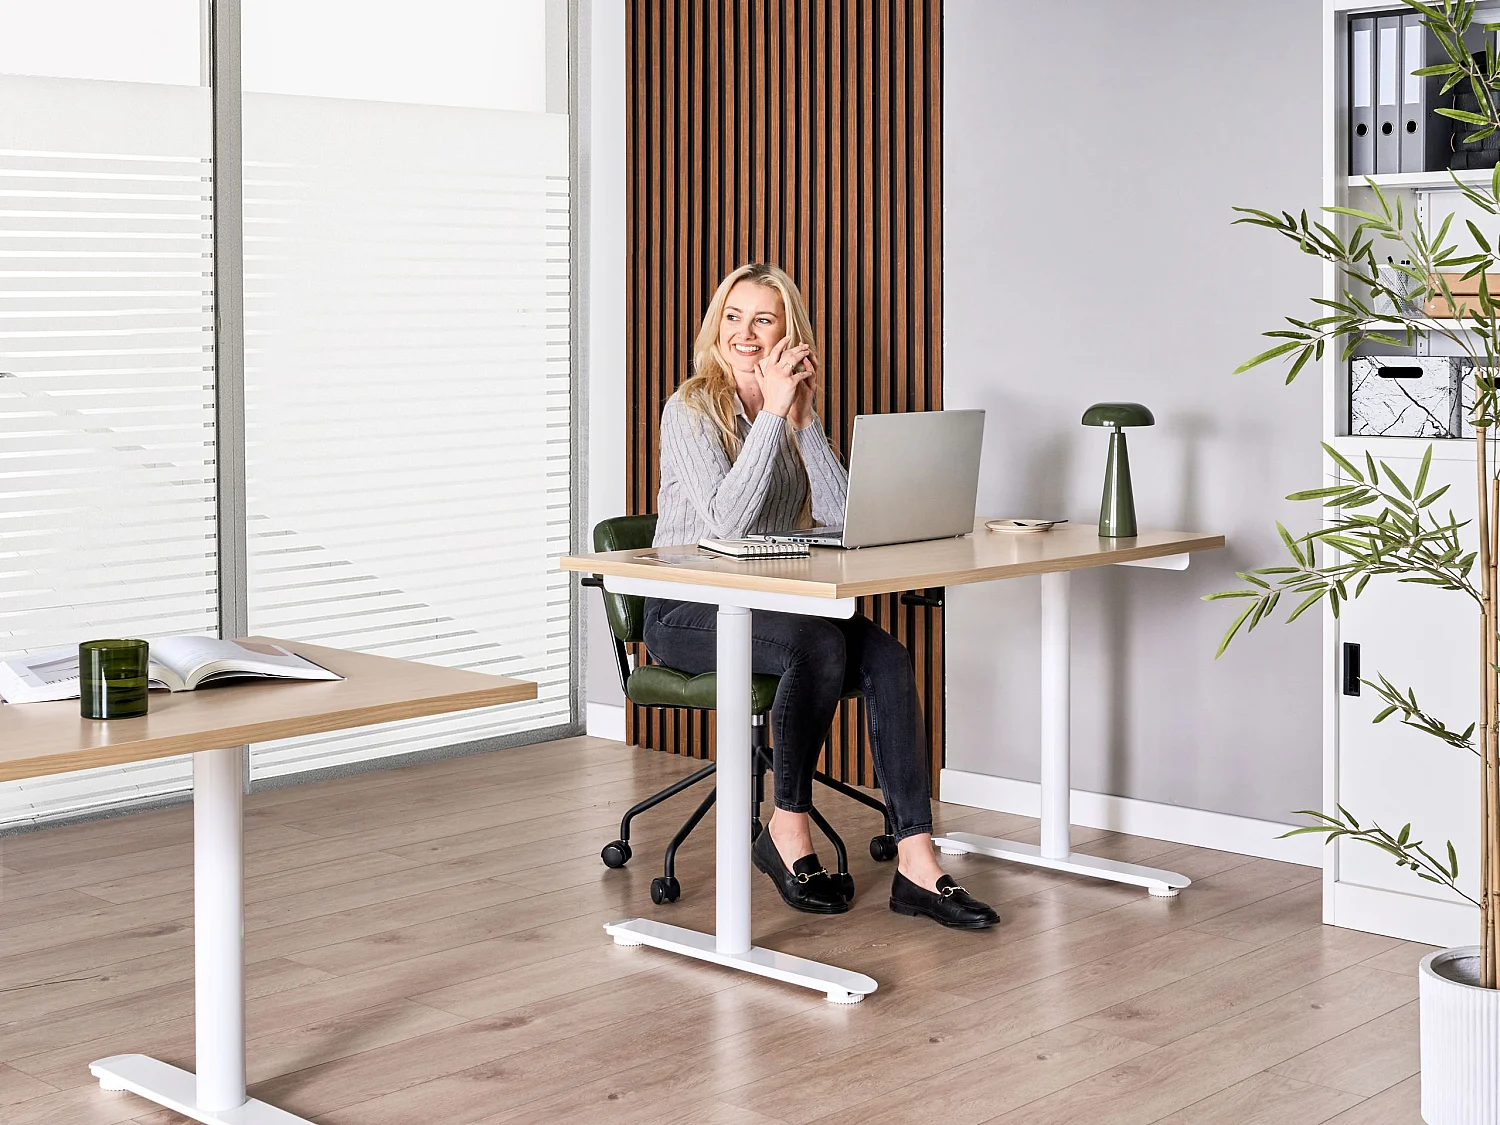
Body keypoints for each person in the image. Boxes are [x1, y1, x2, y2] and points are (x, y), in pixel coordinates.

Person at [643, 262, 999, 930]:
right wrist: (773, 412)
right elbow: (725, 522)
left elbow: (840, 517)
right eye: (733, 316)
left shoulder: (795, 411)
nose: (745, 334)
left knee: (888, 658)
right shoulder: (690, 408)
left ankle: (917, 859)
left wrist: (802, 423)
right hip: (684, 607)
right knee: (817, 642)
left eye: (764, 319)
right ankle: (788, 826)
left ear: (789, 334)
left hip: (773, 602)